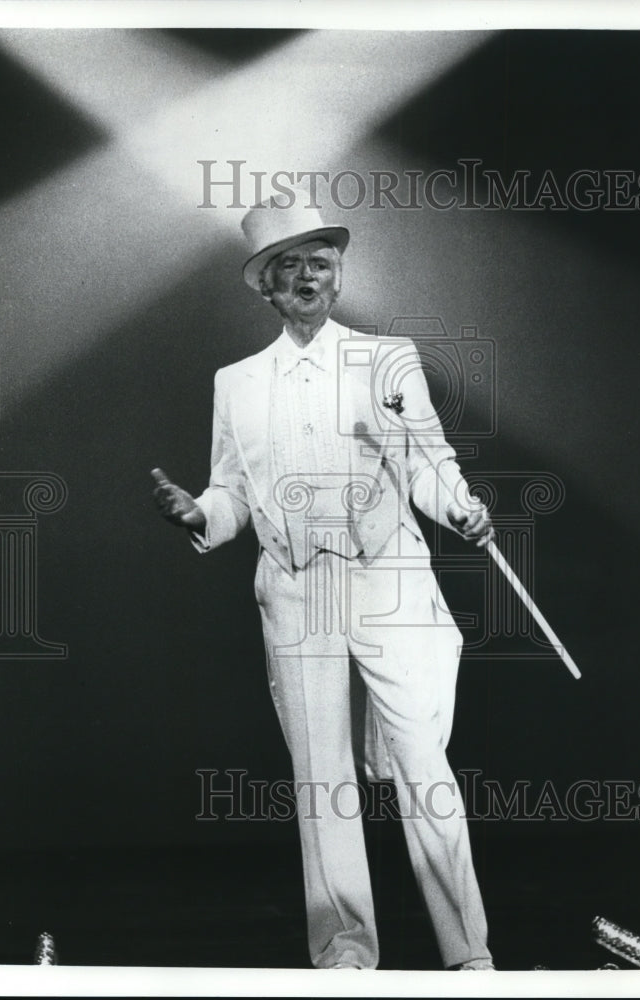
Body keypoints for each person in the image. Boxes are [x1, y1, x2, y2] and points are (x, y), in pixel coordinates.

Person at [153, 190, 495, 971]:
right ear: (267, 287)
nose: (306, 276)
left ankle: (469, 957)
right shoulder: (235, 382)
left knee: (422, 767)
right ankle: (343, 953)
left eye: (320, 262)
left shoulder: (385, 358)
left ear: (338, 276)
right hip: (297, 592)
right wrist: (196, 512)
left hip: (387, 581)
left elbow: (425, 460)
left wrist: (464, 509)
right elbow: (234, 491)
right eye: (288, 267)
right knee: (322, 779)